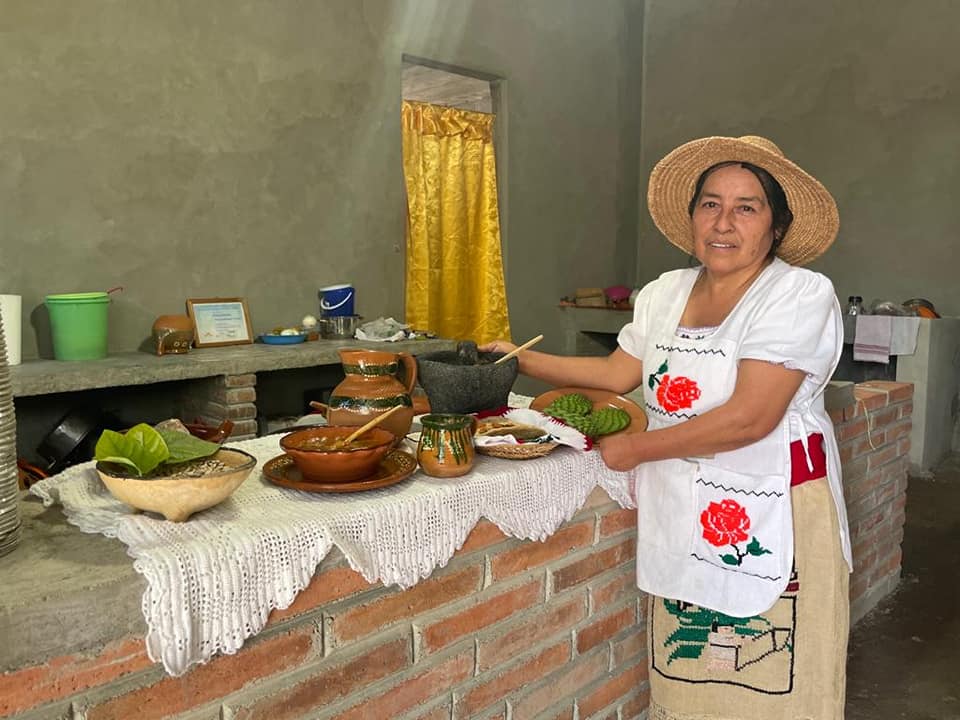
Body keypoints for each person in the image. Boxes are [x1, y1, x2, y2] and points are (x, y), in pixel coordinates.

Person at [482, 135, 851, 719]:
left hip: (773, 506)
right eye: (710, 204)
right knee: (689, 682)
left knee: (775, 682)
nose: (724, 222)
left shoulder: (797, 293)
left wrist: (636, 448)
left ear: (776, 226)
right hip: (681, 505)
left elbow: (751, 417)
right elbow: (615, 371)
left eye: (746, 207)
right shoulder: (663, 293)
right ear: (692, 217)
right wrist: (519, 358)